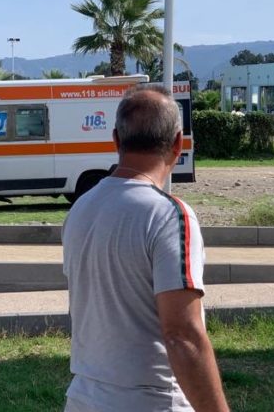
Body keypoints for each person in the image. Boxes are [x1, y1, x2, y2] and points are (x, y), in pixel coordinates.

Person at [62, 84, 229, 412]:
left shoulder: (81, 209)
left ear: (116, 140)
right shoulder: (170, 215)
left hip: (83, 396)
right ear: (178, 143)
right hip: (150, 400)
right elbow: (182, 336)